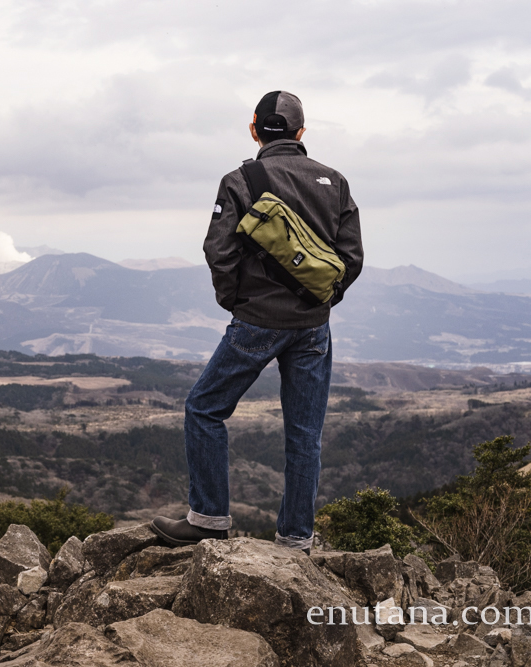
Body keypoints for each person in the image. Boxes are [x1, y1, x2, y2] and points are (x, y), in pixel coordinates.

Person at [151, 91, 363, 554]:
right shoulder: (336, 181)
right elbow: (351, 258)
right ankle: (295, 538)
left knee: (204, 409)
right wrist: (321, 301)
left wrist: (237, 302)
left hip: (256, 322)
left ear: (254, 129)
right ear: (300, 132)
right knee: (304, 433)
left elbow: (218, 249)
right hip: (313, 328)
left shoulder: (241, 179)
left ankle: (208, 520)